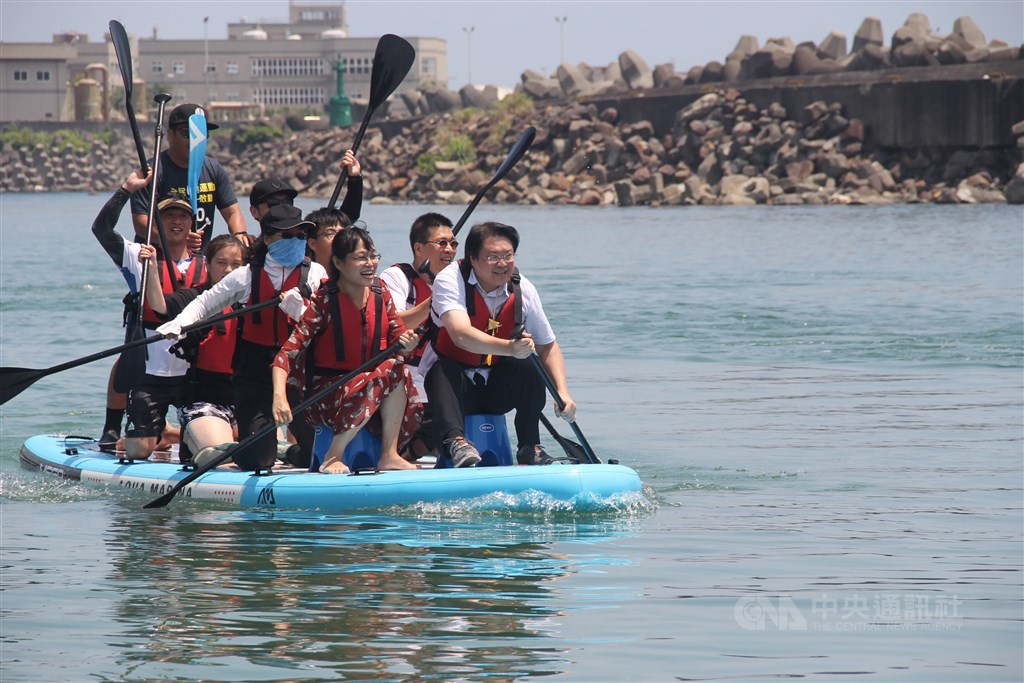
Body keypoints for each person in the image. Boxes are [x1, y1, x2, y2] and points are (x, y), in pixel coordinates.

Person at [156, 204, 327, 471]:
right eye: (287, 235)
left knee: (319, 454)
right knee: (259, 462)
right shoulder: (245, 276)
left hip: (298, 373)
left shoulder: (316, 274)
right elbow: (205, 304)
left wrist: (302, 312)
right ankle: (237, 447)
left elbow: (328, 323)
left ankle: (288, 451)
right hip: (255, 374)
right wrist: (179, 323)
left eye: (300, 236)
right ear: (268, 238)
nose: (296, 242)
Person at [422, 221, 577, 468]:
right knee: (443, 367)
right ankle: (457, 443)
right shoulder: (449, 280)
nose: (502, 263)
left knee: (529, 361)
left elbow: (548, 345)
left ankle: (529, 448)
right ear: (473, 259)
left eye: (508, 256)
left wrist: (563, 393)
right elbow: (460, 334)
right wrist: (508, 348)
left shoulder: (523, 288)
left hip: (497, 390)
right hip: (453, 393)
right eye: (493, 257)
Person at [272, 227, 422, 473]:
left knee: (399, 369)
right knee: (378, 377)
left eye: (373, 256)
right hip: (326, 395)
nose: (370, 263)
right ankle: (332, 456)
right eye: (361, 257)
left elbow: (398, 337)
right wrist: (279, 397)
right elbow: (285, 354)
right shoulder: (325, 302)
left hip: (370, 385)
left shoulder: (380, 292)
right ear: (339, 263)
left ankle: (389, 454)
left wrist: (408, 342)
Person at [93, 167, 206, 461]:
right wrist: (127, 190)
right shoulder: (137, 256)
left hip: (192, 373)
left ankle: (169, 433)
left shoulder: (208, 264)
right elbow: (101, 230)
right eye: (168, 217)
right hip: (149, 373)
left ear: (192, 225)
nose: (177, 222)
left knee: (204, 444)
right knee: (136, 452)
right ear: (155, 225)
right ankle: (151, 434)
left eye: (183, 217)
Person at [138, 234, 247, 466]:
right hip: (203, 399)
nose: (229, 270)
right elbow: (161, 308)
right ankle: (188, 434)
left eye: (236, 265)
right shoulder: (194, 297)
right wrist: (151, 270)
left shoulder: (252, 300)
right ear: (207, 264)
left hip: (245, 400)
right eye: (221, 263)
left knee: (276, 456)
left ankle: (178, 435)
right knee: (224, 459)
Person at [379, 212, 458, 459]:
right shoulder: (396, 277)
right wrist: (435, 300)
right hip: (403, 377)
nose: (450, 250)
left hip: (440, 380)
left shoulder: (459, 281)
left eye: (453, 244)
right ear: (419, 249)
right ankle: (404, 452)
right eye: (442, 243)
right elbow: (392, 325)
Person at [131, 103, 247, 248]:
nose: (195, 140)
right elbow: (141, 223)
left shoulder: (213, 169)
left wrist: (239, 235)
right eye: (188, 134)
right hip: (158, 258)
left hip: (198, 260)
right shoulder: (150, 173)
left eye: (202, 134)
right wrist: (176, 238)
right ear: (171, 136)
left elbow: (232, 212)